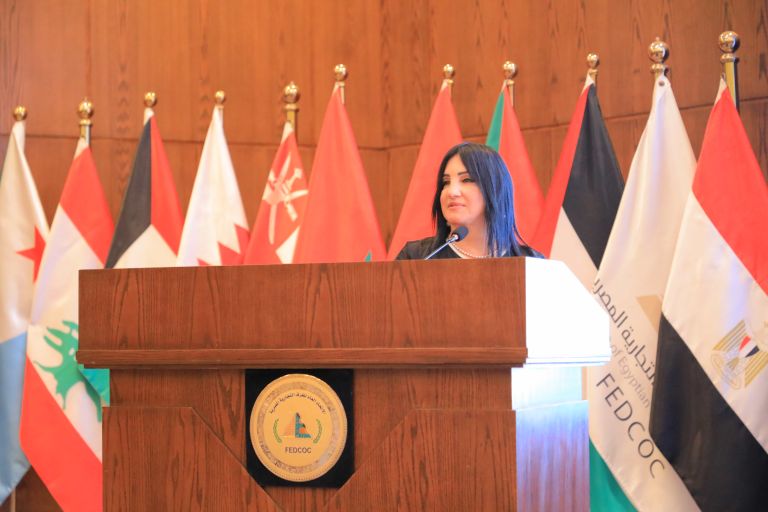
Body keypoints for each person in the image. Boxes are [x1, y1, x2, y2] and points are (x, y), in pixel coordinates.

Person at [396, 142, 541, 260]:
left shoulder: (532, 264)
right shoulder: (416, 257)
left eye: (466, 180)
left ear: (494, 189)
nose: (452, 192)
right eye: (446, 182)